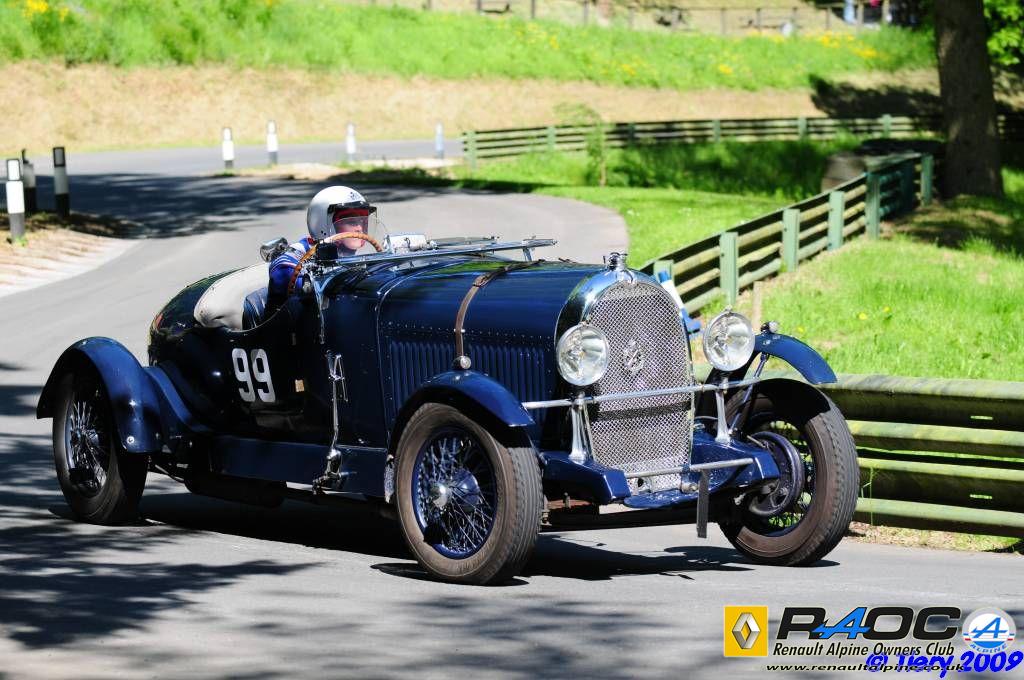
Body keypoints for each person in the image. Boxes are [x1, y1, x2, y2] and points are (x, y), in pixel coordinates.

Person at [265, 185, 377, 315]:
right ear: (322, 223)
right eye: (351, 222)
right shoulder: (291, 259)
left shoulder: (362, 255)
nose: (360, 228)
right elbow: (286, 278)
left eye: (363, 221)